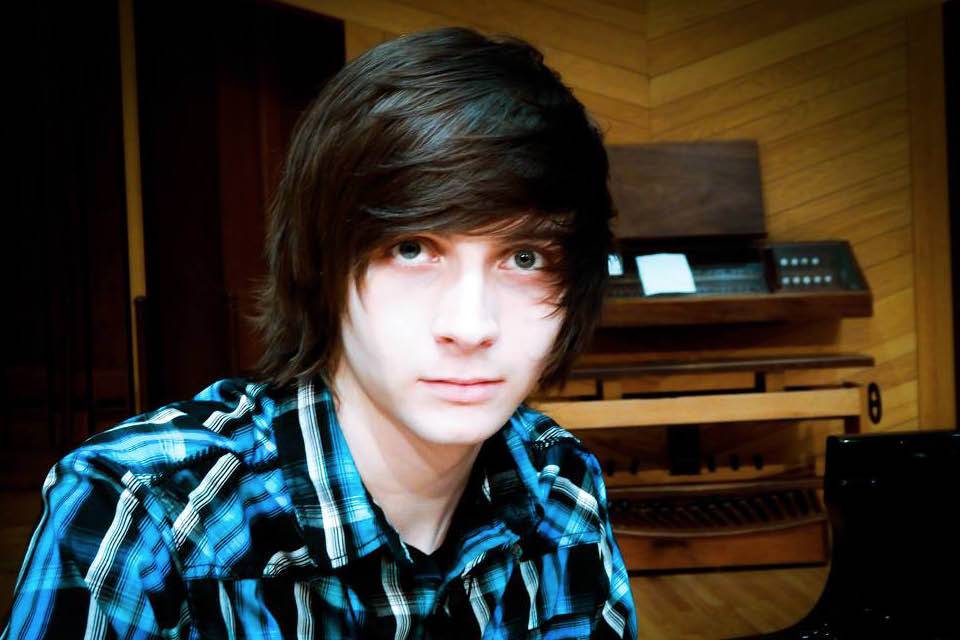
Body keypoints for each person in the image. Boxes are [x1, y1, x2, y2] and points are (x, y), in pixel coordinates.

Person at [3, 27, 637, 639]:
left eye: (524, 257)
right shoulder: (143, 512)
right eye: (411, 249)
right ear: (320, 265)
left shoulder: (561, 487)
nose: (470, 327)